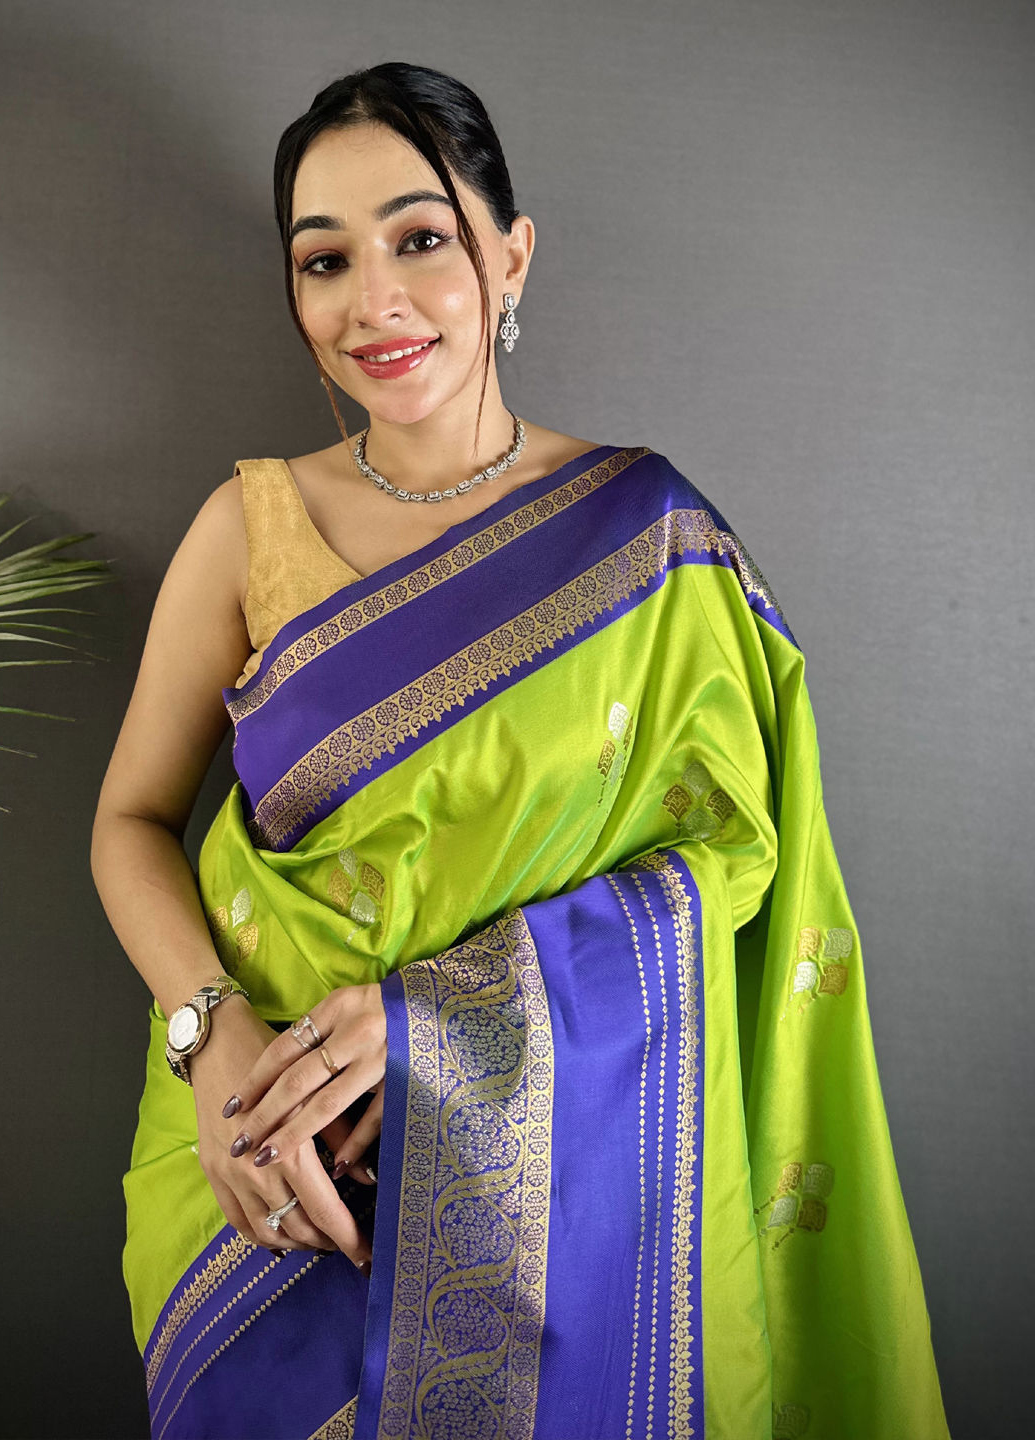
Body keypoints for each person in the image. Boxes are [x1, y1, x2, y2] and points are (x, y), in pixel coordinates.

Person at [91, 61, 950, 1440]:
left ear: (510, 257)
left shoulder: (648, 540)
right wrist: (215, 1046)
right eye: (325, 260)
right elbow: (130, 820)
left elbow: (734, 857)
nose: (373, 301)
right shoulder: (246, 531)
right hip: (267, 1175)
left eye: (421, 238)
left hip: (566, 1204)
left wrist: (433, 1020)